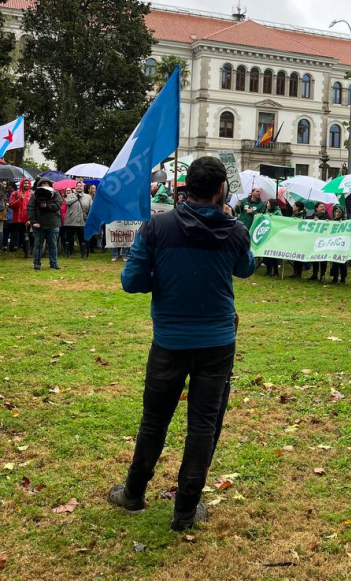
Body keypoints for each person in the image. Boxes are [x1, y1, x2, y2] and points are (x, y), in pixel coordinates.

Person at [108, 157, 255, 531]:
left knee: (154, 421)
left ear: (186, 186)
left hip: (171, 342)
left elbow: (132, 281)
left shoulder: (158, 227)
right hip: (217, 342)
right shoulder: (235, 230)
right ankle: (185, 511)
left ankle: (134, 493)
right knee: (203, 425)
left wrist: (162, 272)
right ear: (220, 189)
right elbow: (246, 267)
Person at [27, 177, 63, 271]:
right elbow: (30, 208)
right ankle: (36, 264)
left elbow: (58, 205)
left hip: (53, 223)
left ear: (50, 185)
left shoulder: (55, 193)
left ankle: (53, 263)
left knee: (53, 245)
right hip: (39, 224)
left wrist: (47, 205)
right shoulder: (35, 195)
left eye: (47, 184)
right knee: (38, 245)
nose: (45, 185)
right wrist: (34, 222)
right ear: (40, 185)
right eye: (43, 184)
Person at [64, 181, 92, 259]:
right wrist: (76, 197)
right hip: (71, 221)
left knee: (82, 239)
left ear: (83, 188)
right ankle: (68, 252)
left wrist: (88, 215)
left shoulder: (88, 197)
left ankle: (84, 253)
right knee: (69, 238)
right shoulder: (70, 195)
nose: (79, 187)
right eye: (77, 186)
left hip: (82, 221)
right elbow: (66, 202)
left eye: (81, 186)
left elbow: (90, 207)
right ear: (75, 187)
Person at [8, 177, 32, 258]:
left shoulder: (31, 194)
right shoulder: (15, 193)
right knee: (14, 235)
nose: (26, 185)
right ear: (22, 184)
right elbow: (11, 205)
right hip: (17, 219)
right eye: (25, 183)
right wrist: (19, 200)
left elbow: (32, 207)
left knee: (26, 236)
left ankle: (26, 254)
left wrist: (30, 219)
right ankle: (11, 253)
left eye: (28, 183)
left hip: (26, 219)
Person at [309, 202, 331, 282]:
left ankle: (322, 274)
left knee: (322, 258)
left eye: (323, 206)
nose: (323, 208)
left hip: (324, 240)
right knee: (314, 257)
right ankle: (314, 274)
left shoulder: (327, 216)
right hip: (314, 240)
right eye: (321, 206)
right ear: (316, 208)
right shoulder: (312, 216)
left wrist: (327, 222)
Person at [263, 198, 282, 277]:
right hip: (267, 234)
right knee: (266, 253)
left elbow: (280, 222)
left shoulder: (278, 213)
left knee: (273, 254)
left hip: (274, 235)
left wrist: (273, 218)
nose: (267, 205)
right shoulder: (266, 211)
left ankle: (276, 271)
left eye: (268, 203)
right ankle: (268, 270)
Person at [329, 204, 348, 284]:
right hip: (334, 244)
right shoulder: (332, 221)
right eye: (336, 211)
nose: (337, 213)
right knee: (334, 261)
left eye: (339, 212)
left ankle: (343, 278)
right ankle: (335, 277)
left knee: (342, 261)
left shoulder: (345, 222)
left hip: (342, 244)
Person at [288, 200, 307, 278]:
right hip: (294, 236)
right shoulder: (294, 214)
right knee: (295, 254)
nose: (292, 206)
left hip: (300, 237)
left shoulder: (303, 215)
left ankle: (298, 272)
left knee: (298, 255)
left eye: (294, 205)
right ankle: (295, 272)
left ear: (298, 207)